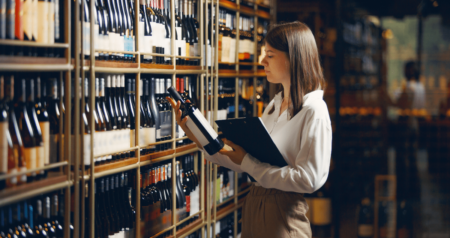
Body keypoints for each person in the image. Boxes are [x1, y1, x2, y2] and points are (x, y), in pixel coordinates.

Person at [168, 22, 332, 238]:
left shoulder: (314, 110)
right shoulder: (274, 106)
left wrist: (249, 163)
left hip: (282, 216)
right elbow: (244, 161)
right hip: (254, 203)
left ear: (293, 58)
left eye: (270, 55)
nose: (262, 61)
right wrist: (194, 133)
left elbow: (310, 179)